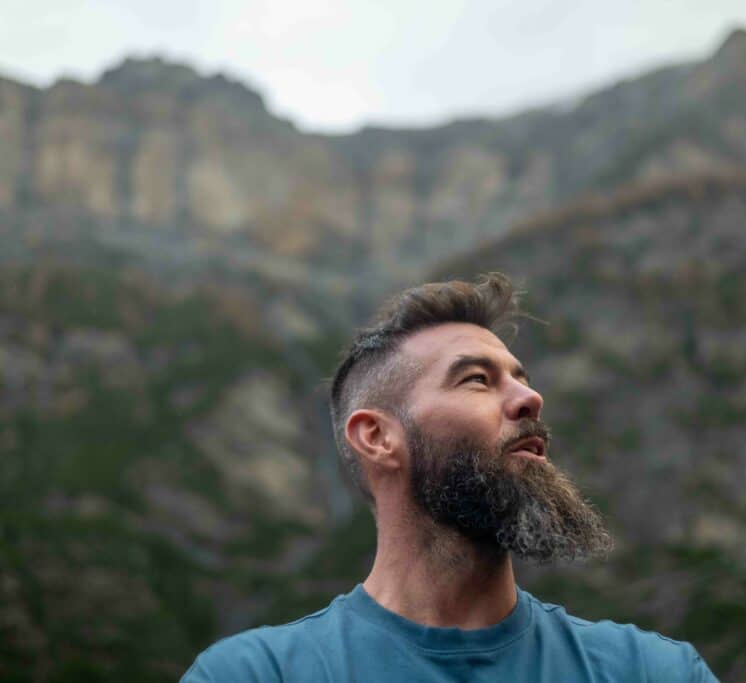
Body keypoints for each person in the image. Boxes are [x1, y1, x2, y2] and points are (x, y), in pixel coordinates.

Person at [181, 273, 718, 682]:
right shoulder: (255, 674)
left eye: (522, 379)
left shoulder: (651, 671)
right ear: (377, 437)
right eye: (477, 380)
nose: (531, 398)